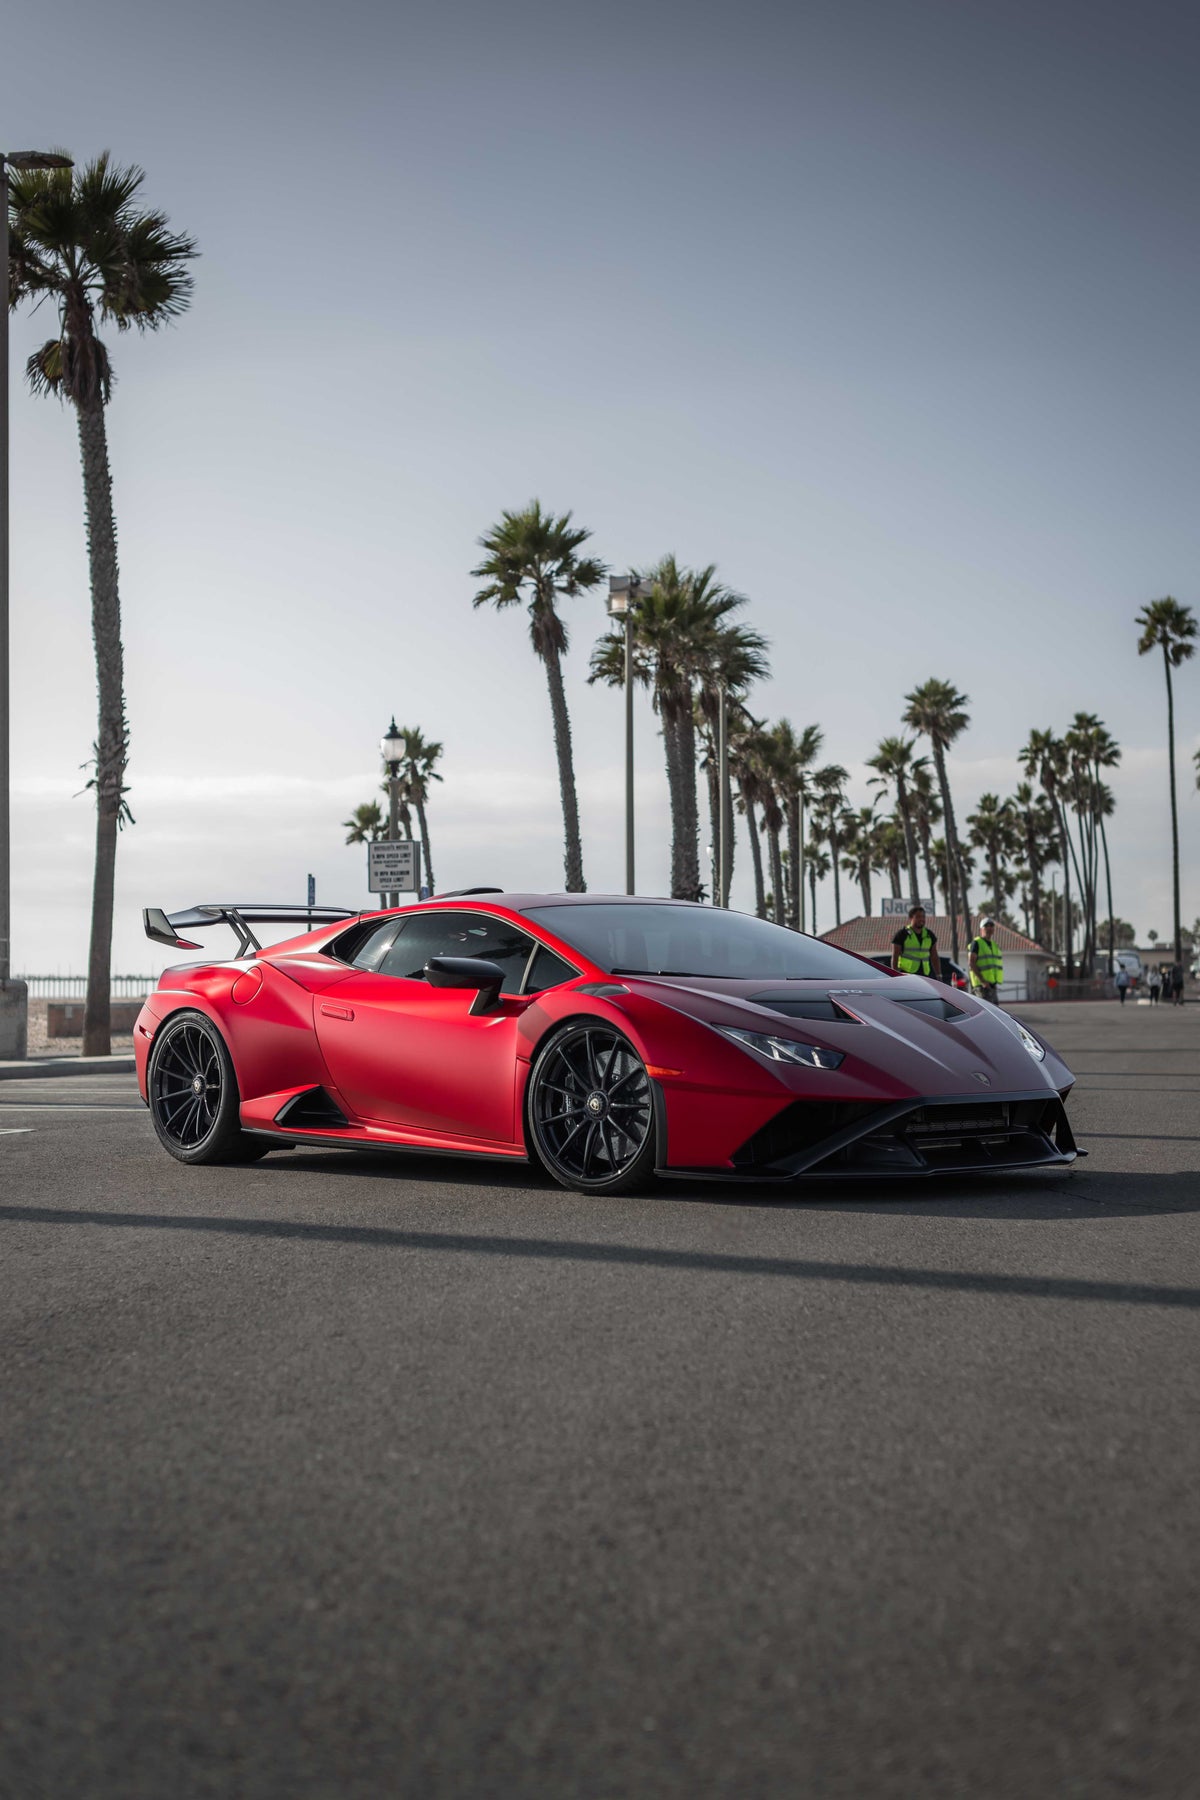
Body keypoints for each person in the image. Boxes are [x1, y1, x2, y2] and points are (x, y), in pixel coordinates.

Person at [892, 904, 941, 981]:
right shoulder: (902, 934)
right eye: (918, 917)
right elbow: (895, 956)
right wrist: (895, 975)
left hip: (925, 975)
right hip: (907, 975)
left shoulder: (929, 935)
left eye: (923, 917)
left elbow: (934, 956)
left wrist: (938, 975)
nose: (921, 919)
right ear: (911, 918)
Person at [968, 916, 1004, 1004]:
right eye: (986, 926)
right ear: (981, 929)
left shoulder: (994, 945)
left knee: (995, 1010)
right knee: (985, 1010)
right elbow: (971, 963)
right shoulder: (976, 943)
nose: (989, 928)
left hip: (991, 985)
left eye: (991, 926)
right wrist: (983, 981)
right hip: (981, 986)